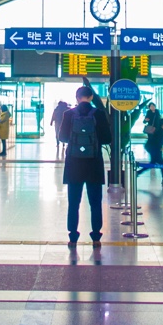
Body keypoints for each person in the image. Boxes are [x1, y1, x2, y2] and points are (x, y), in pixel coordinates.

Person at [57, 83, 112, 247]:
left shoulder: (68, 114)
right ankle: (96, 235)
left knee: (74, 202)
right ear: (91, 97)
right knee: (95, 202)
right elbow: (107, 139)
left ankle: (73, 235)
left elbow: (62, 138)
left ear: (77, 98)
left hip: (74, 164)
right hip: (93, 163)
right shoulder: (99, 114)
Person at [144, 103, 163, 186]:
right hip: (153, 145)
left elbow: (159, 139)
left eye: (153, 106)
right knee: (160, 163)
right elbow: (157, 139)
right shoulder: (149, 113)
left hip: (153, 145)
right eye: (151, 106)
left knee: (153, 162)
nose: (153, 107)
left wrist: (162, 143)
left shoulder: (157, 113)